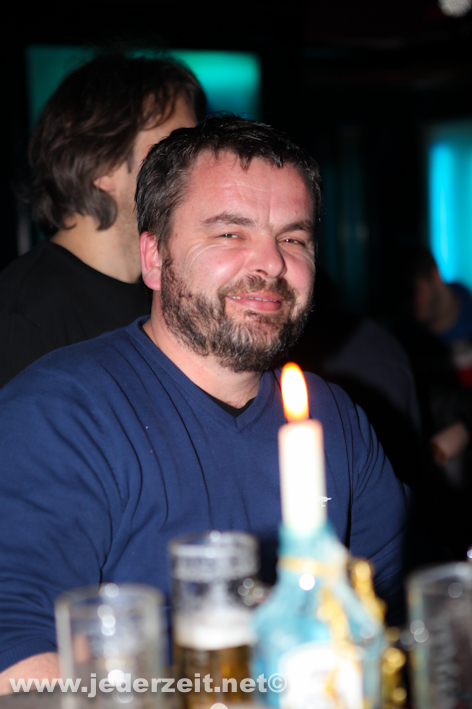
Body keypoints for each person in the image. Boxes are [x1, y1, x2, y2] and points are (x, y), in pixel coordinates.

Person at [0, 116, 413, 691]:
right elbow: (15, 649)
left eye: (293, 238)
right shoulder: (61, 414)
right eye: (230, 234)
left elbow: (391, 616)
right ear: (153, 257)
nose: (271, 263)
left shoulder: (334, 420)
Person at [0, 52, 206, 388]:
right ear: (102, 166)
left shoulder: (167, 291)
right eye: (175, 149)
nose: (200, 167)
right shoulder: (23, 319)